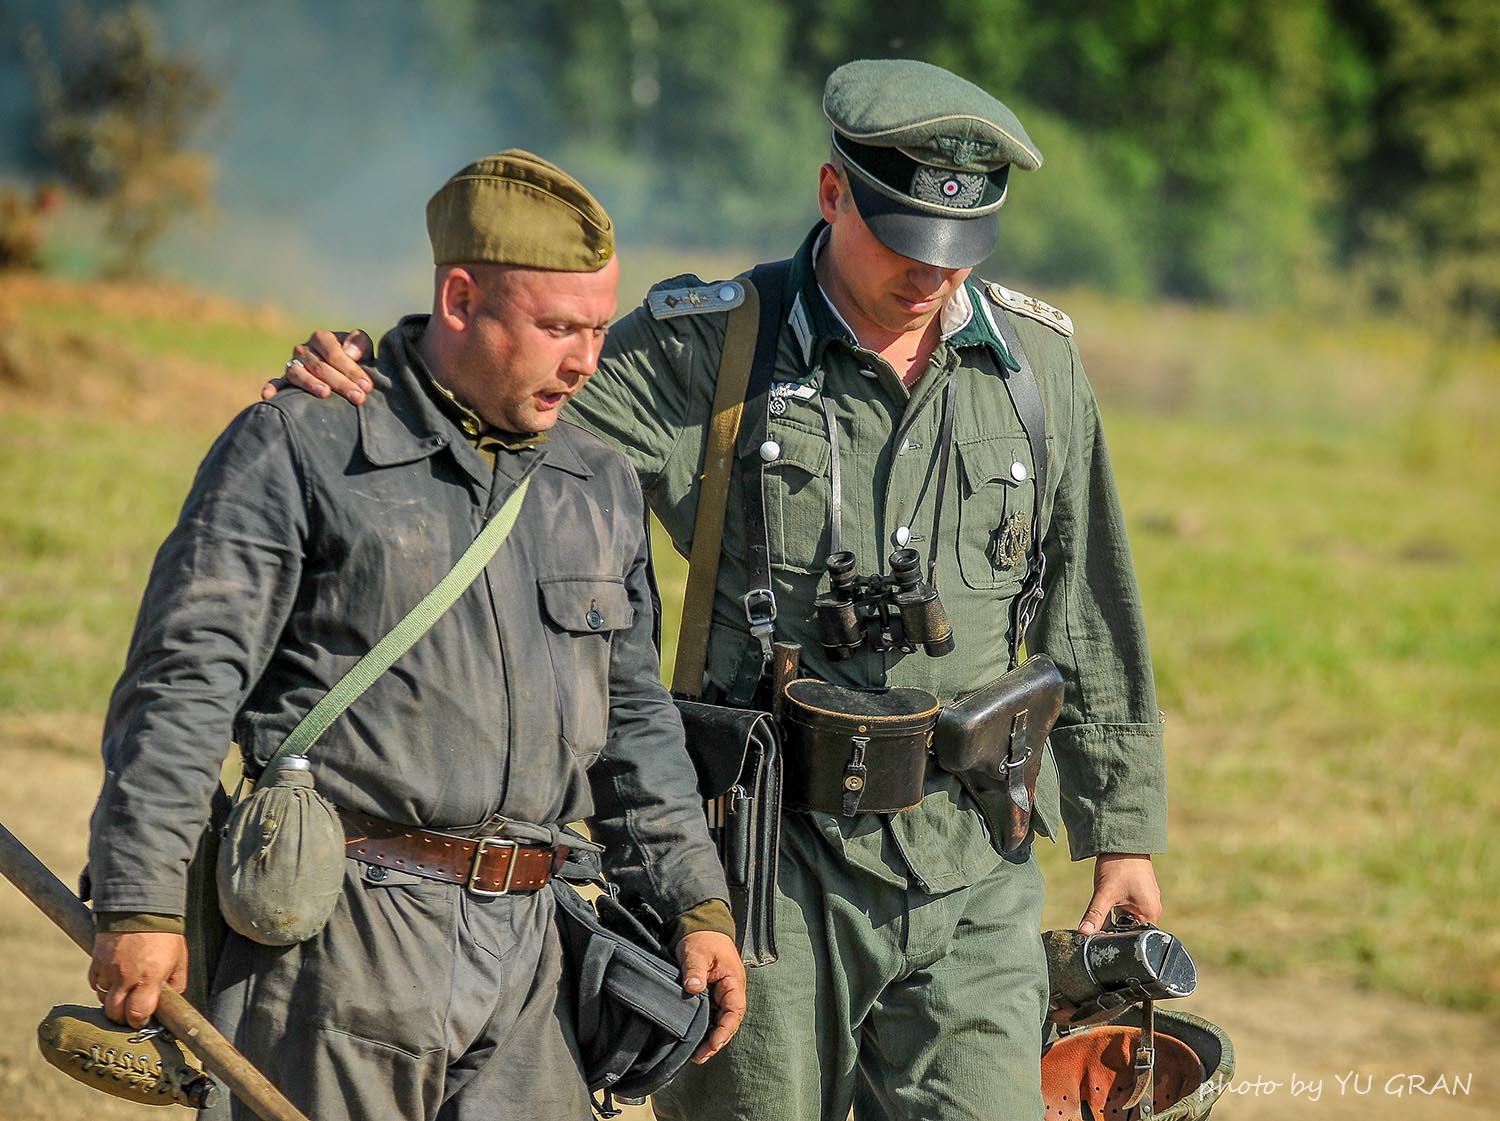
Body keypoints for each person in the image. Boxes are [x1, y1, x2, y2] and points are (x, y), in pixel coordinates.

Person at [278, 59, 1168, 1121]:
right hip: (763, 862)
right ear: (832, 192)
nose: (931, 274)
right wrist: (372, 381)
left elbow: (1089, 605)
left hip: (974, 855)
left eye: (960, 248)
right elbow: (504, 403)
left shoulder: (1041, 372)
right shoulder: (707, 346)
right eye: (902, 236)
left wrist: (1126, 835)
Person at [87, 150, 744, 1121]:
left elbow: (636, 715)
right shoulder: (302, 446)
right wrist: (140, 899)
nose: (585, 360)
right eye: (557, 327)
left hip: (532, 953)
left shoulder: (596, 483)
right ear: (460, 295)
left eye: (598, 328)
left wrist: (695, 897)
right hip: (339, 944)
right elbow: (185, 682)